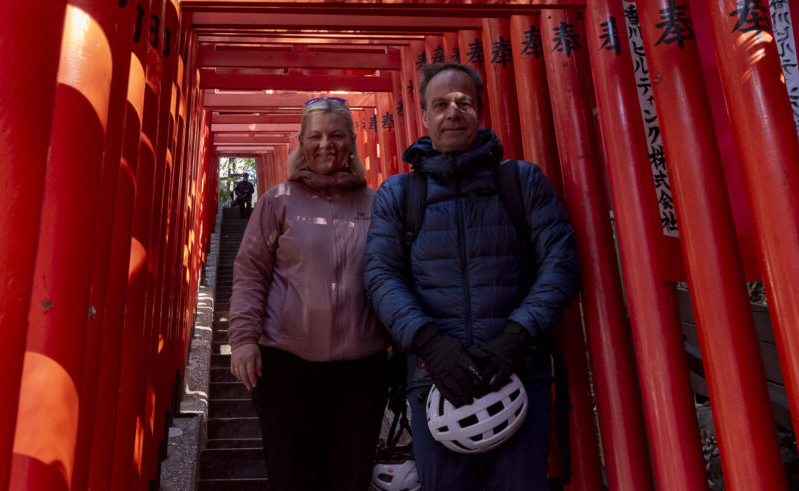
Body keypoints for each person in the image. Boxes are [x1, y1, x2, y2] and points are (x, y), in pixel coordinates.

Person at [364, 62, 581, 491]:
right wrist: (429, 342)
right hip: (435, 378)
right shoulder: (399, 193)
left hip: (519, 370)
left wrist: (516, 337)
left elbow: (561, 262)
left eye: (464, 103)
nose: (453, 113)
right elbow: (381, 275)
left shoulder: (521, 182)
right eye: (440, 104)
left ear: (480, 111)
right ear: (424, 117)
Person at [228, 97, 391, 491]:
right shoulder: (277, 201)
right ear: (301, 143)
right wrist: (243, 340)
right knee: (293, 475)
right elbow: (250, 273)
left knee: (350, 476)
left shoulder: (378, 204)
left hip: (362, 366)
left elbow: (394, 277)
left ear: (352, 141)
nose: (326, 144)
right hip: (286, 362)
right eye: (314, 136)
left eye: (336, 135)